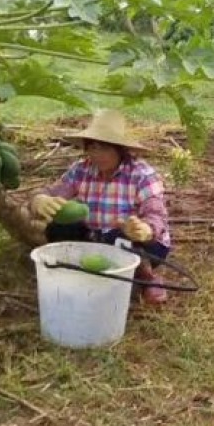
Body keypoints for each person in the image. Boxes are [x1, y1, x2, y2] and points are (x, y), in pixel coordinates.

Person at [30, 110, 171, 305]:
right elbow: (55, 192)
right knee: (59, 227)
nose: (97, 155)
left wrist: (145, 229)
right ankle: (75, 268)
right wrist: (39, 199)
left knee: (119, 237)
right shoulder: (82, 169)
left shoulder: (142, 175)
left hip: (142, 243)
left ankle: (146, 277)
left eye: (105, 148)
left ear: (120, 149)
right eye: (93, 148)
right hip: (98, 238)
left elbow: (155, 213)